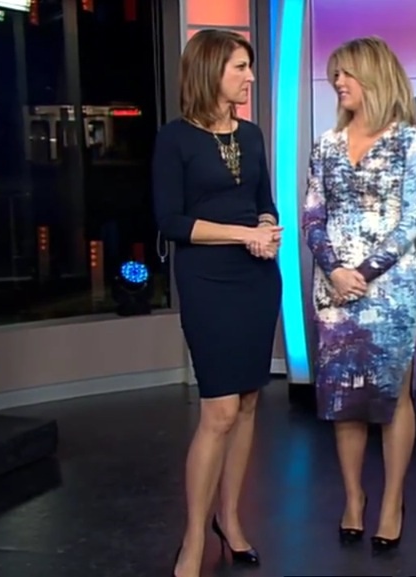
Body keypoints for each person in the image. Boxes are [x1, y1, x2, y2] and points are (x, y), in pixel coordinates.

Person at [152, 29, 282, 577]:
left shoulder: (250, 135)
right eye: (240, 67)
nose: (250, 76)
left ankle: (229, 519)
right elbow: (171, 221)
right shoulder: (175, 138)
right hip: (207, 279)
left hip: (257, 279)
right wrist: (242, 234)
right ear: (211, 72)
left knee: (248, 402)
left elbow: (264, 202)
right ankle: (192, 539)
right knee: (219, 409)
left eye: (249, 66)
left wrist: (268, 228)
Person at [302, 36, 416, 554]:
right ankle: (353, 498)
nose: (338, 82)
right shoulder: (327, 144)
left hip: (391, 290)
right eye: (335, 74)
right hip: (334, 290)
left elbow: (413, 218)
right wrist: (335, 271)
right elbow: (313, 216)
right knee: (344, 399)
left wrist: (365, 270)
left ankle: (392, 502)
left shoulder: (409, 141)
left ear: (374, 76)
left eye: (347, 73)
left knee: (393, 395)